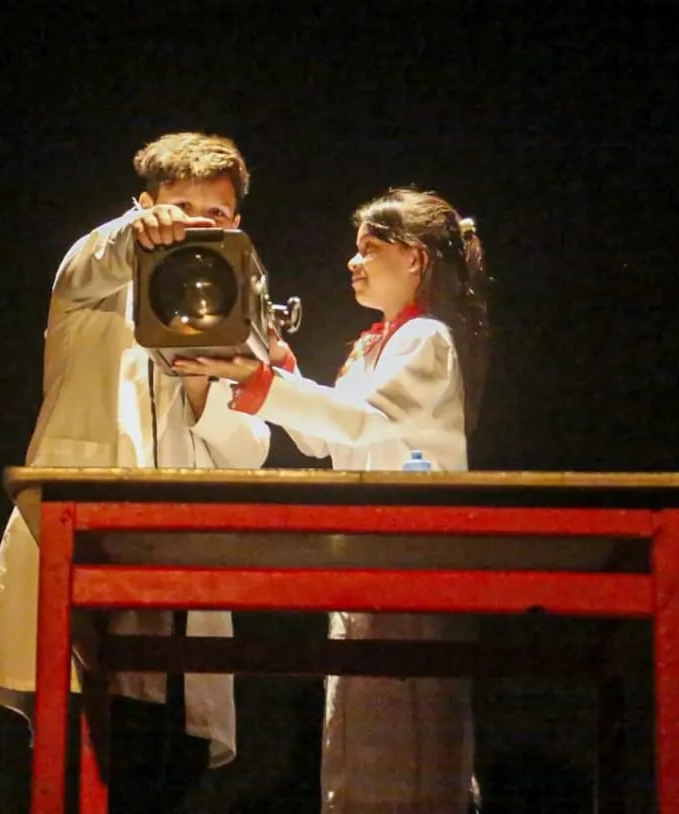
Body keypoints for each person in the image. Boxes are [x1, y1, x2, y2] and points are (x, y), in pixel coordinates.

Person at [0, 132, 271, 813]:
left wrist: (202, 391)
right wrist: (136, 234)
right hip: (86, 555)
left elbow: (251, 449)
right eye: (179, 208)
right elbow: (93, 260)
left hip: (182, 573)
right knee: (81, 766)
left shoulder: (233, 305)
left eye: (215, 215)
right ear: (146, 204)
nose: (196, 227)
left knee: (172, 765)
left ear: (236, 222)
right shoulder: (96, 276)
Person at [175, 187, 490, 813]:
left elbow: (361, 420)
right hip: (370, 560)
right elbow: (323, 437)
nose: (354, 261)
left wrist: (266, 381)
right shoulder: (373, 345)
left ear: (415, 259)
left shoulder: (426, 338)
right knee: (359, 726)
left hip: (415, 563)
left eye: (370, 249)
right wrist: (279, 369)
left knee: (414, 731)